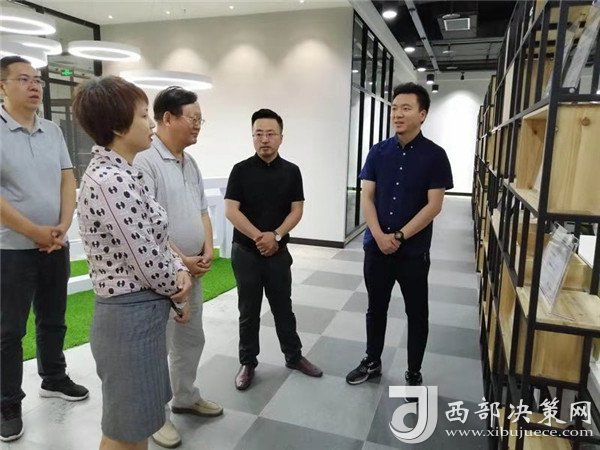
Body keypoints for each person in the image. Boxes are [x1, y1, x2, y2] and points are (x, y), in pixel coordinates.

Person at [72, 75, 193, 450]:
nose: (152, 124)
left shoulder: (126, 172)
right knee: (125, 431)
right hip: (128, 319)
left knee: (138, 425)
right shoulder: (110, 180)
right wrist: (178, 282)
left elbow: (153, 240)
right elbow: (144, 258)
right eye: (143, 115)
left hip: (142, 315)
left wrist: (177, 274)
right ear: (117, 127)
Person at [0, 56, 89, 443]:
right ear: (2, 86)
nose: (35, 86)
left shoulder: (52, 130)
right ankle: (7, 402)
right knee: (8, 330)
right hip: (10, 249)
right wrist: (34, 231)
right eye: (24, 79)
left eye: (37, 80)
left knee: (54, 317)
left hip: (54, 244)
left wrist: (63, 225)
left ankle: (53, 377)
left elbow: (68, 179)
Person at [345, 82, 453, 396]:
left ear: (422, 114)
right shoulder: (378, 152)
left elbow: (434, 205)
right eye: (394, 108)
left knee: (417, 313)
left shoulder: (435, 156)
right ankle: (372, 361)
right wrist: (379, 236)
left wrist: (400, 236)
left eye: (406, 108)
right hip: (377, 249)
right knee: (375, 307)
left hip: (413, 252)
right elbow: (367, 197)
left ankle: (413, 371)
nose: (398, 114)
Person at [134, 86, 223, 449]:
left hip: (192, 272)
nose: (198, 125)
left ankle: (185, 397)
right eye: (193, 118)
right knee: (159, 346)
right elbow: (146, 224)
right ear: (168, 118)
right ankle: (157, 416)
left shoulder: (190, 162)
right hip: (161, 275)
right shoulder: (146, 161)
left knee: (191, 338)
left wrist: (207, 249)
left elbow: (202, 211)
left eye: (201, 119)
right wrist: (180, 260)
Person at [225, 108, 322, 391]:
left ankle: (294, 356)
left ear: (281, 137)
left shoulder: (292, 171)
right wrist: (260, 237)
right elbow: (231, 211)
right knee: (248, 310)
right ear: (252, 137)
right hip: (246, 252)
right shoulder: (240, 170)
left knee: (283, 307)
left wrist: (276, 236)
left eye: (270, 134)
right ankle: (247, 363)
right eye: (259, 134)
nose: (264, 139)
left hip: (278, 253)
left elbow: (297, 209)